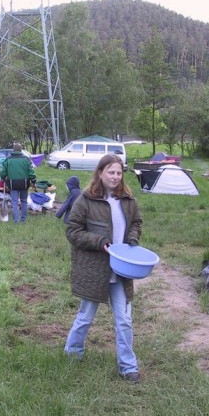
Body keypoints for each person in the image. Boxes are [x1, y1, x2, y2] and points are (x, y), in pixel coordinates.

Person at [64, 154, 143, 382]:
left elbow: (136, 223)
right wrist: (99, 242)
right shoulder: (86, 200)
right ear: (100, 173)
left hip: (121, 271)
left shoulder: (128, 199)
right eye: (111, 172)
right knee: (86, 316)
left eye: (119, 172)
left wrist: (132, 239)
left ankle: (128, 366)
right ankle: (73, 353)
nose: (115, 177)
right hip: (95, 270)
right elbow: (73, 231)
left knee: (124, 320)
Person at [0, 143, 36, 223]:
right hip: (24, 183)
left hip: (12, 184)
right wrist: (33, 181)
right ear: (21, 150)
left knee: (14, 202)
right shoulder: (26, 159)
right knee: (24, 201)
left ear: (13, 149)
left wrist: (3, 178)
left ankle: (16, 220)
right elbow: (31, 172)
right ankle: (23, 220)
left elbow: (3, 172)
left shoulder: (8, 159)